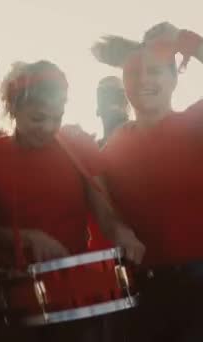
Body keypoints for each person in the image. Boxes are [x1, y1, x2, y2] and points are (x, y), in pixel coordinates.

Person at [0, 60, 144, 342]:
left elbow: (106, 215)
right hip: (14, 298)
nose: (49, 127)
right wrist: (29, 238)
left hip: (75, 296)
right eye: (38, 118)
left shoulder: (78, 145)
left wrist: (124, 234)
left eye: (57, 117)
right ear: (13, 109)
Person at [93, 22, 203, 342]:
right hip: (141, 292)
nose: (143, 81)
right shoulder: (114, 145)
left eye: (154, 72)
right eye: (133, 74)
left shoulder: (195, 124)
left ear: (174, 78)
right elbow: (105, 208)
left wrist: (186, 41)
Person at [96, 76, 129, 146]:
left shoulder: (143, 142)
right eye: (104, 93)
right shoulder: (92, 150)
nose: (112, 99)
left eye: (120, 94)